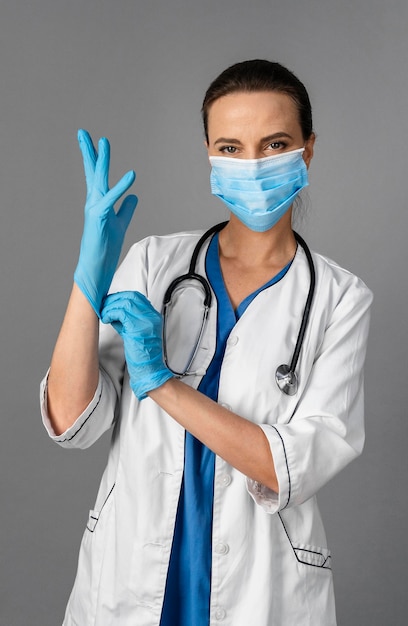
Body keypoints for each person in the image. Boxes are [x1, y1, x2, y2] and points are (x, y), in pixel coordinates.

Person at [40, 59, 372, 625]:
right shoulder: (152, 262)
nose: (253, 165)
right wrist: (88, 277)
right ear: (210, 155)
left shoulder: (339, 298)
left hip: (258, 588)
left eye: (274, 143)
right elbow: (72, 421)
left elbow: (286, 467)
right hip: (131, 574)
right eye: (231, 147)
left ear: (307, 150)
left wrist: (161, 384)